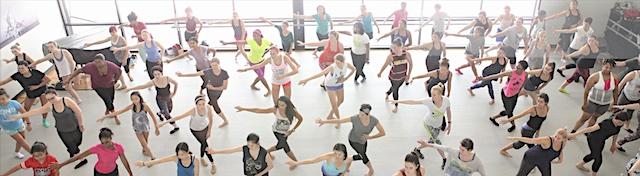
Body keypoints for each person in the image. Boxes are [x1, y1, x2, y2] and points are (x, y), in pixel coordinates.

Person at [9, 88, 88, 169]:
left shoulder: (66, 100)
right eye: (49, 99)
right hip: (62, 130)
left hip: (75, 127)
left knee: (77, 142)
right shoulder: (50, 105)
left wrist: (81, 124)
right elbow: (36, 111)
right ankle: (82, 159)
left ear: (57, 95)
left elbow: (78, 112)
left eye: (53, 98)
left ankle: (73, 151)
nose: (51, 100)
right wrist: (19, 116)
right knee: (72, 146)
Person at [389, 84, 451, 169]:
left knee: (431, 142)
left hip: (438, 125)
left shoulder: (446, 100)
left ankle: (417, 149)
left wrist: (449, 123)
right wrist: (397, 101)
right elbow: (413, 102)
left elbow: (448, 111)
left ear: (440, 95)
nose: (432, 96)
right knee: (437, 143)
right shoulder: (428, 101)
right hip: (428, 124)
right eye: (431, 94)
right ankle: (444, 159)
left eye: (434, 95)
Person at [316, 104, 386, 176]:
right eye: (359, 113)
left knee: (361, 155)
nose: (360, 116)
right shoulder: (355, 118)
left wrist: (370, 137)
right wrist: (323, 121)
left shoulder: (374, 121)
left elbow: (382, 133)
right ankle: (371, 170)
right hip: (353, 140)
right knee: (363, 156)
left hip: (363, 141)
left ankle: (350, 159)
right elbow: (340, 120)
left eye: (362, 115)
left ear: (368, 114)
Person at [159, 95, 218, 174]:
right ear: (196, 105)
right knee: (205, 144)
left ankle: (201, 157)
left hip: (205, 128)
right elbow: (179, 117)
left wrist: (209, 131)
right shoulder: (193, 111)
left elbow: (211, 119)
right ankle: (213, 163)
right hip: (195, 130)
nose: (202, 106)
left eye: (203, 104)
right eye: (199, 104)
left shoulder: (208, 108)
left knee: (203, 144)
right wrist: (164, 123)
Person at [235, 96, 303, 161]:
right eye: (279, 104)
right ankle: (296, 162)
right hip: (277, 131)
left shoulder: (292, 111)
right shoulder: (275, 110)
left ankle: (266, 152)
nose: (280, 107)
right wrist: (244, 109)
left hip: (285, 132)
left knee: (280, 145)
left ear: (287, 105)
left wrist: (292, 130)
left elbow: (300, 119)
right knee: (285, 147)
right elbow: (258, 110)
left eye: (282, 105)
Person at [97, 91, 160, 159]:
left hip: (145, 127)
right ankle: (152, 157)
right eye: (132, 99)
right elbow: (119, 112)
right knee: (144, 143)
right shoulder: (132, 106)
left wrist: (157, 128)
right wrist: (104, 117)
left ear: (140, 98)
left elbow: (153, 116)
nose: (134, 101)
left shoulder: (145, 106)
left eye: (136, 98)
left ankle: (145, 150)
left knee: (145, 142)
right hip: (137, 128)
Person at [298, 54, 355, 128]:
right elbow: (320, 74)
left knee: (341, 100)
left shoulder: (346, 64)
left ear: (343, 62)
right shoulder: (332, 67)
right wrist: (306, 79)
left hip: (339, 84)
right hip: (330, 85)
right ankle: (338, 121)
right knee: (334, 104)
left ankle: (330, 115)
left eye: (338, 63)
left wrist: (346, 78)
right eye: (335, 62)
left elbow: (354, 69)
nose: (336, 64)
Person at [64, 54, 122, 124]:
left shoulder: (111, 66)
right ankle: (115, 115)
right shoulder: (91, 66)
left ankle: (107, 109)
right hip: (98, 86)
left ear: (104, 61)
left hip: (109, 85)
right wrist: (68, 79)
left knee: (111, 99)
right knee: (107, 99)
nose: (97, 64)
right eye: (96, 62)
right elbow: (79, 71)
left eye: (99, 62)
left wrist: (115, 80)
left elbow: (119, 71)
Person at [52, 128, 132, 176]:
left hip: (113, 172)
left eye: (107, 142)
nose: (105, 145)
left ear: (111, 138)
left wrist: (130, 173)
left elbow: (124, 161)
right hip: (99, 173)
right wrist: (61, 165)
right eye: (102, 143)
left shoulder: (119, 147)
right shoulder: (97, 148)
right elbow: (79, 156)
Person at [571, 111, 629, 176]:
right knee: (598, 160)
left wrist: (613, 145)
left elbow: (616, 133)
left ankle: (580, 165)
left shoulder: (619, 125)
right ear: (615, 118)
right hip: (593, 139)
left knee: (594, 155)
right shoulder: (606, 122)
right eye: (620, 122)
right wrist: (574, 134)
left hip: (601, 141)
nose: (621, 124)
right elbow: (590, 129)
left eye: (622, 123)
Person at [176, 58, 230, 128]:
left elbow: (224, 87)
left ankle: (207, 110)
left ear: (219, 64)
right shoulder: (208, 71)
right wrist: (182, 75)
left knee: (211, 103)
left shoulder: (224, 73)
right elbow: (196, 74)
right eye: (212, 65)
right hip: (210, 92)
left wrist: (213, 88)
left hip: (218, 91)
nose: (214, 67)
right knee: (215, 105)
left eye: (216, 65)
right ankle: (225, 120)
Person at [125, 66, 180, 134]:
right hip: (160, 100)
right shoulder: (153, 81)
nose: (157, 76)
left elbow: (176, 83)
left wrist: (174, 93)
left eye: (158, 74)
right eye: (155, 74)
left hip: (168, 98)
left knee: (168, 110)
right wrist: (130, 89)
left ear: (161, 73)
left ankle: (160, 113)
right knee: (167, 114)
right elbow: (142, 86)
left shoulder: (167, 78)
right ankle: (175, 126)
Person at [569, 59, 618, 133]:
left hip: (605, 104)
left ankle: (587, 131)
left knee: (595, 117)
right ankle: (573, 131)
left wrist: (615, 103)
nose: (608, 69)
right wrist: (585, 103)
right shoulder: (594, 77)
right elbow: (586, 91)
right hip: (592, 101)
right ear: (602, 65)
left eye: (610, 68)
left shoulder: (615, 77)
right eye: (606, 67)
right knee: (584, 118)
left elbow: (615, 91)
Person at [221, 29, 272, 97]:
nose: (254, 37)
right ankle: (269, 90)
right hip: (252, 61)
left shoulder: (265, 41)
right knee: (261, 76)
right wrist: (226, 43)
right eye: (253, 36)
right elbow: (239, 42)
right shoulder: (251, 41)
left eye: (256, 35)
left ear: (260, 35)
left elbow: (273, 46)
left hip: (262, 61)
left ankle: (252, 85)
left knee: (260, 76)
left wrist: (269, 52)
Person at [0, 61, 50, 127]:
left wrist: (36, 86)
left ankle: (44, 120)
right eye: (19, 68)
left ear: (27, 67)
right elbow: (4, 81)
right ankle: (22, 122)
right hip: (31, 94)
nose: (20, 70)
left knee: (44, 107)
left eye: (22, 68)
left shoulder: (36, 72)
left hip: (42, 91)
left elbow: (48, 79)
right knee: (25, 109)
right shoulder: (17, 75)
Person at [486, 60, 530, 132]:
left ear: (523, 69)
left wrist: (520, 90)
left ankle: (493, 118)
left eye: (519, 68)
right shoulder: (511, 72)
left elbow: (524, 82)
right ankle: (513, 125)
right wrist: (484, 78)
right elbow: (497, 75)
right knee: (509, 112)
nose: (516, 69)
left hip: (515, 95)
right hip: (506, 94)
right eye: (516, 67)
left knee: (509, 111)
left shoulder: (525, 74)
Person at [206, 133, 273, 176]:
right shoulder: (245, 148)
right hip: (250, 173)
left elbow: (271, 166)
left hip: (262, 174)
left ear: (258, 144)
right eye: (248, 144)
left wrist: (260, 174)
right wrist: (215, 152)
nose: (249, 147)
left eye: (252, 145)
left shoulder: (264, 153)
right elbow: (231, 150)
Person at [416, 138, 486, 176]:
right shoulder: (455, 152)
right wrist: (427, 144)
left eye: (463, 150)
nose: (460, 151)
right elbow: (440, 147)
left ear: (470, 150)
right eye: (460, 148)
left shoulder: (477, 163)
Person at [378, 38, 413, 113]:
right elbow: (385, 64)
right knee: (396, 90)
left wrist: (409, 75)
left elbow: (411, 64)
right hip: (393, 77)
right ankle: (396, 106)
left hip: (403, 76)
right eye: (393, 48)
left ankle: (387, 93)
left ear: (401, 46)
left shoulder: (406, 54)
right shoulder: (391, 56)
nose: (393, 49)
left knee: (395, 88)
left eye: (395, 48)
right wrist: (380, 72)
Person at [0, 88, 31, 160]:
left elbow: (24, 113)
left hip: (19, 124)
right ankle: (34, 154)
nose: (1, 101)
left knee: (22, 139)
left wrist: (29, 123)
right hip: (9, 128)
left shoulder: (14, 103)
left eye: (3, 99)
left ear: (7, 97)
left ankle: (16, 152)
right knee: (21, 141)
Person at [135, 142, 200, 176]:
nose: (180, 157)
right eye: (178, 154)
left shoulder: (195, 160)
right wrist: (144, 164)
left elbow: (196, 175)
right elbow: (160, 161)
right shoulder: (176, 158)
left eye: (182, 154)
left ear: (188, 152)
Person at [285, 143, 352, 176]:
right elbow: (312, 160)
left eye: (339, 154)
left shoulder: (348, 159)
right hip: (327, 174)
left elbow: (349, 163)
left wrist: (344, 172)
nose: (336, 156)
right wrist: (296, 163)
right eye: (335, 153)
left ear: (344, 153)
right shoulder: (328, 156)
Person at [613, 73, 640, 152]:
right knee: (617, 113)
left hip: (635, 100)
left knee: (629, 114)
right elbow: (621, 84)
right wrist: (616, 100)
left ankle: (620, 140)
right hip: (626, 95)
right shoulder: (634, 74)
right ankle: (619, 141)